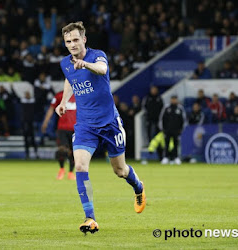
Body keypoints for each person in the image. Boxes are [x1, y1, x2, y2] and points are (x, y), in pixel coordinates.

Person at [56, 22, 146, 234]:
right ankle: (90, 218)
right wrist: (63, 101)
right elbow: (70, 80)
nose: (72, 44)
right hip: (86, 125)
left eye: (76, 40)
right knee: (79, 166)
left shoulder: (97, 56)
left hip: (109, 124)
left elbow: (103, 69)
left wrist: (85, 65)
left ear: (84, 39)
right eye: (68, 41)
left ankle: (139, 187)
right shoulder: (65, 63)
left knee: (120, 171)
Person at [41, 91, 76, 180]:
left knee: (74, 152)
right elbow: (51, 108)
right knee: (62, 150)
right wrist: (45, 122)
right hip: (62, 128)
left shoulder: (80, 94)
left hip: (76, 129)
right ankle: (61, 169)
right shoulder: (60, 95)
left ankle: (71, 172)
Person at [11, 85, 38, 159]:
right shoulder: (23, 102)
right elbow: (15, 96)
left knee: (32, 139)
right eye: (26, 94)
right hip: (25, 122)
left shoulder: (33, 102)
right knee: (26, 139)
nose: (27, 95)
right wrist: (12, 89)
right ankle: (27, 153)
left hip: (31, 122)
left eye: (28, 94)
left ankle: (35, 153)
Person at [159, 95, 186, 165]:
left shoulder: (180, 108)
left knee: (176, 144)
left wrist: (181, 129)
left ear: (177, 100)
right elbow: (162, 119)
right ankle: (166, 157)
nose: (173, 100)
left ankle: (176, 158)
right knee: (166, 144)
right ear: (170, 100)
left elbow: (183, 120)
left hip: (176, 130)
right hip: (167, 130)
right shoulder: (166, 108)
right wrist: (163, 129)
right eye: (172, 99)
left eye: (175, 99)